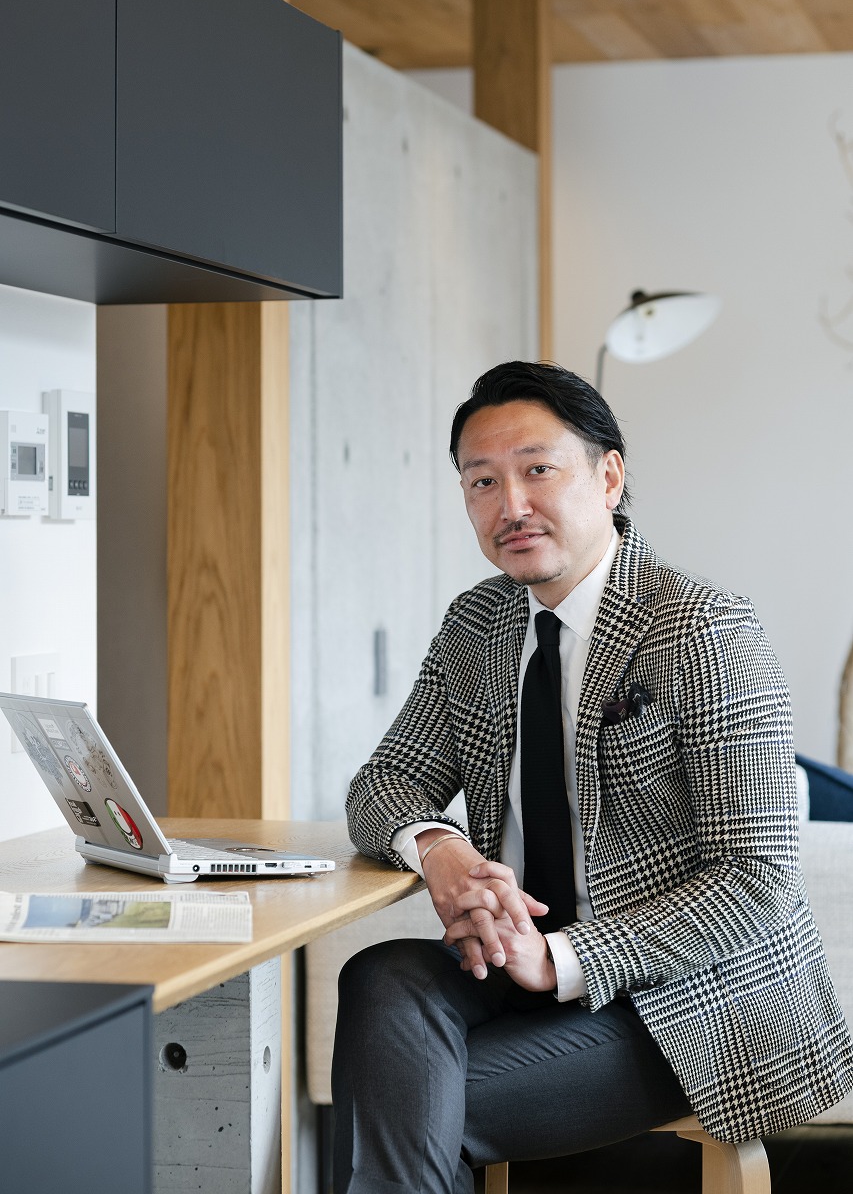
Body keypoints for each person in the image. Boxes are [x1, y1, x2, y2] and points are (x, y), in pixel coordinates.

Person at [333, 360, 853, 1194]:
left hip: (688, 998)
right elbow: (383, 783)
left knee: (404, 1108)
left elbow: (756, 880)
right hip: (508, 962)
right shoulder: (476, 624)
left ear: (608, 477)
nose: (510, 505)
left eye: (537, 469)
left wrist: (564, 957)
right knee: (381, 975)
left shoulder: (701, 627)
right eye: (481, 481)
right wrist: (440, 849)